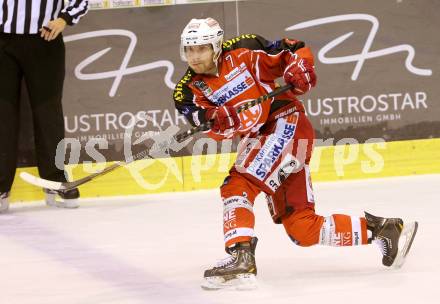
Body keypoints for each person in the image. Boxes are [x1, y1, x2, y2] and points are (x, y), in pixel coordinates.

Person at [173, 18, 418, 290]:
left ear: (216, 46)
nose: (194, 57)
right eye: (189, 50)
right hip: (263, 139)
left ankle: (240, 256)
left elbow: (292, 50)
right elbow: (204, 122)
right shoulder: (187, 91)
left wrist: (300, 68)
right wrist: (219, 121)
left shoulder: (244, 49)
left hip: (286, 122)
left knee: (238, 185)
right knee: (302, 227)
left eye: (201, 49)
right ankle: (385, 230)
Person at [0, 0, 89, 213]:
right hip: (2, 41)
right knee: (3, 115)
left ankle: (55, 180)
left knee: (48, 114)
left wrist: (64, 19)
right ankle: (1, 185)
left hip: (45, 39)